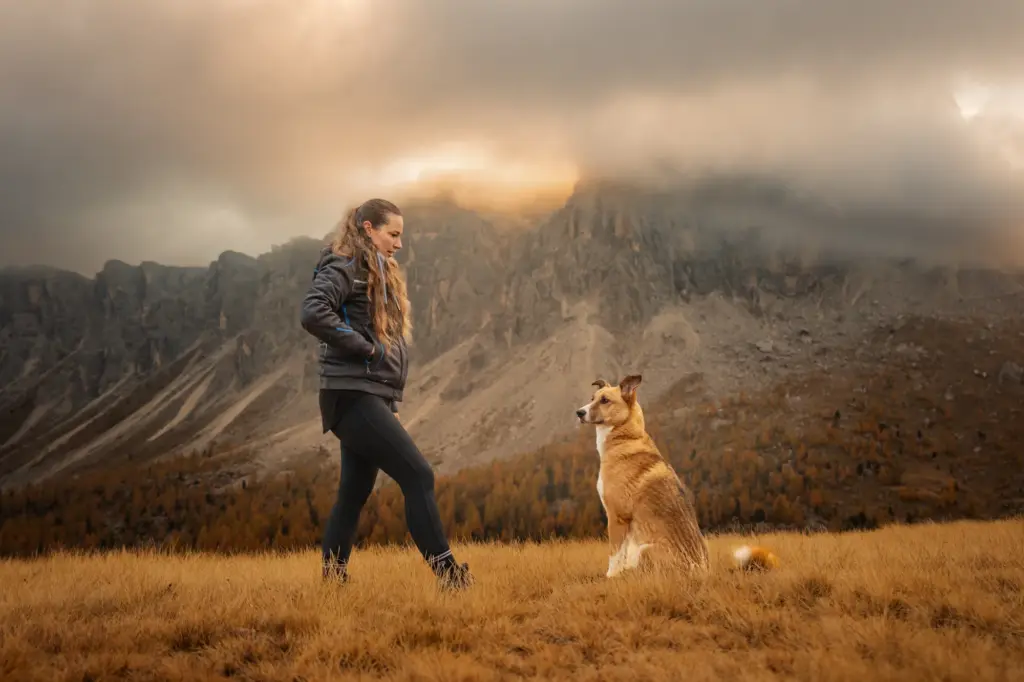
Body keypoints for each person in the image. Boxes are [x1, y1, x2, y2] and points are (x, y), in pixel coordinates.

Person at [299, 198, 473, 592]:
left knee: (353, 492)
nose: (398, 244)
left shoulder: (378, 271)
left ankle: (332, 583)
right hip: (349, 394)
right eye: (392, 234)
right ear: (367, 229)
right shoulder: (346, 265)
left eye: (400, 236)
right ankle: (450, 577)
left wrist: (389, 405)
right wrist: (365, 347)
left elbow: (386, 347)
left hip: (366, 395)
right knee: (418, 475)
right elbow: (313, 312)